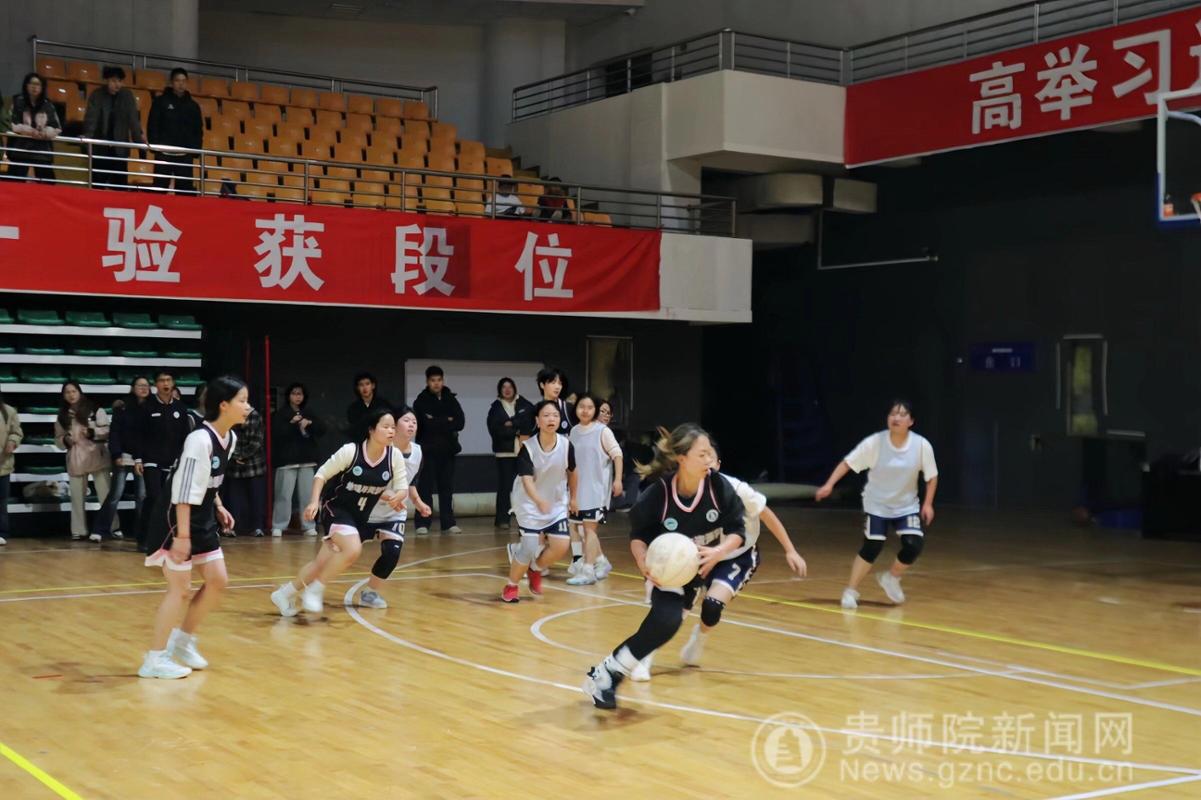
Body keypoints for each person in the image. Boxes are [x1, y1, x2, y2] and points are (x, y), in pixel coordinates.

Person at [583, 423, 746, 709]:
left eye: (710, 453)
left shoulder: (718, 486)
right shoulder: (658, 493)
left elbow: (738, 531)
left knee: (672, 624)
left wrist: (719, 551)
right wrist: (642, 562)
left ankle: (607, 672)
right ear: (682, 458)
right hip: (668, 570)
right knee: (667, 620)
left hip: (704, 565)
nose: (709, 459)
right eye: (702, 454)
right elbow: (638, 536)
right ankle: (608, 675)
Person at [629, 444, 809, 682]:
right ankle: (646, 657)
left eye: (710, 458)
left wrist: (790, 550)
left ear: (718, 465)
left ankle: (699, 639)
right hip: (698, 555)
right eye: (701, 457)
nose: (706, 463)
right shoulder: (681, 492)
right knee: (674, 612)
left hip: (737, 555)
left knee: (712, 605)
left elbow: (766, 514)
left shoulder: (735, 489)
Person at [139, 375, 249, 679]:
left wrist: (219, 506)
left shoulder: (230, 438)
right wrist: (183, 536)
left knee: (217, 580)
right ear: (223, 405)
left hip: (202, 515)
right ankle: (154, 659)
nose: (247, 407)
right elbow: (183, 490)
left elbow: (208, 481)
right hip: (176, 518)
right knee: (180, 590)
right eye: (242, 401)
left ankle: (183, 641)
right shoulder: (199, 440)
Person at [270, 408, 408, 617]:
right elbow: (321, 474)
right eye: (386, 427)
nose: (391, 431)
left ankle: (283, 594)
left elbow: (402, 488)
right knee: (352, 549)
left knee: (321, 563)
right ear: (371, 430)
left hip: (359, 517)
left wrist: (396, 497)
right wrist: (313, 502)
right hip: (336, 509)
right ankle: (315, 590)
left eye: (393, 427)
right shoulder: (351, 451)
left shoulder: (394, 456)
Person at [815, 399, 938, 610]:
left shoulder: (921, 445)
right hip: (877, 504)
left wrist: (928, 504)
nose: (896, 418)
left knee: (914, 545)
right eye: (892, 414)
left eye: (902, 414)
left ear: (911, 421)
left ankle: (892, 577)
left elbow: (932, 476)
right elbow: (848, 463)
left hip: (906, 505)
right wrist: (829, 484)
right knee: (873, 545)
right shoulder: (875, 443)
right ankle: (850, 590)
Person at [356, 406, 432, 609]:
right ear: (394, 425)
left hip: (393, 513)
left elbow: (410, 483)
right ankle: (313, 583)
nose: (411, 425)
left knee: (392, 553)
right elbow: (365, 480)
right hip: (367, 509)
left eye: (414, 422)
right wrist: (387, 495)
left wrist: (418, 502)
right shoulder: (381, 449)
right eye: (406, 420)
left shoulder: (417, 452)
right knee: (343, 553)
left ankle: (370, 593)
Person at [502, 400, 577, 603]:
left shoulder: (566, 445)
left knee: (561, 545)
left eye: (555, 415)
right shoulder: (528, 448)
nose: (551, 419)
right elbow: (527, 480)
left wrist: (574, 498)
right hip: (528, 503)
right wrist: (538, 500)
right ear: (537, 420)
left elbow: (573, 472)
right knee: (528, 548)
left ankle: (535, 569)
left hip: (555, 502)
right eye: (546, 415)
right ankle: (512, 585)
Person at [132, 370, 194, 549]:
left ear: (173, 383)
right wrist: (138, 459)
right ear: (155, 384)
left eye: (168, 380)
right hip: (151, 460)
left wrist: (184, 458)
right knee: (154, 497)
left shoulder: (180, 408)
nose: (165, 383)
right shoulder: (147, 407)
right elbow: (139, 435)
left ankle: (164, 538)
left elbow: (185, 437)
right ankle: (143, 538)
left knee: (168, 501)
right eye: (161, 380)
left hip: (173, 461)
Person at [566, 394, 623, 586]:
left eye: (589, 407)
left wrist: (618, 480)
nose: (585, 410)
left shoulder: (602, 431)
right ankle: (601, 561)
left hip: (595, 490)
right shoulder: (574, 431)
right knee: (580, 529)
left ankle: (588, 569)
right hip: (576, 491)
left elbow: (617, 455)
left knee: (589, 529)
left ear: (595, 410)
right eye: (581, 406)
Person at [93, 375, 151, 541]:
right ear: (133, 388)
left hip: (144, 457)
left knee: (142, 496)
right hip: (124, 455)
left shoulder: (153, 407)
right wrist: (116, 454)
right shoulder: (123, 407)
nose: (143, 388)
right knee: (115, 494)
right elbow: (115, 433)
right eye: (140, 385)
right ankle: (100, 529)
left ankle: (141, 533)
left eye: (146, 385)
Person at [54, 381, 112, 542]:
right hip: (76, 458)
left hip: (97, 456)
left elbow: (107, 430)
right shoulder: (62, 416)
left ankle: (111, 527)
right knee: (77, 497)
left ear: (79, 392)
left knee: (105, 495)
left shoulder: (95, 409)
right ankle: (78, 530)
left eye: (73, 391)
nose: (71, 395)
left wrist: (92, 432)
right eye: (67, 392)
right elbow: (58, 439)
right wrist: (65, 440)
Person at [412, 365, 465, 534]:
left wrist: (435, 419)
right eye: (433, 380)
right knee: (425, 488)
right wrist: (447, 420)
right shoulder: (420, 401)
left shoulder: (451, 399)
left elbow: (460, 422)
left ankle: (448, 523)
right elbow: (425, 424)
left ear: (443, 381)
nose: (436, 383)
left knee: (446, 488)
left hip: (447, 450)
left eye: (439, 380)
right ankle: (422, 523)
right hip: (428, 450)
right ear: (427, 382)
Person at [271, 383, 324, 537]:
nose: (297, 397)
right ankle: (279, 525)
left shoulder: (309, 412)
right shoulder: (281, 414)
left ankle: (308, 525)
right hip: (286, 460)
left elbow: (322, 429)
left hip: (307, 459)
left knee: (307, 495)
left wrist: (310, 423)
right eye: (294, 393)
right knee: (283, 495)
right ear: (288, 396)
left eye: (300, 394)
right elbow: (276, 433)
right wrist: (292, 423)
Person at [82, 66, 147, 189]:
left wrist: (140, 146)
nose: (117, 85)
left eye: (119, 81)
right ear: (106, 80)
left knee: (120, 188)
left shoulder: (127, 96)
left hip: (120, 149)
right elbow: (91, 120)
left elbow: (133, 121)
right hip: (100, 148)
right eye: (113, 81)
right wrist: (87, 144)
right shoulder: (96, 95)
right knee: (97, 187)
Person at [486, 377, 534, 529]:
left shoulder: (525, 405)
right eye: (504, 387)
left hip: (523, 452)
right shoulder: (495, 408)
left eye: (510, 387)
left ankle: (525, 519)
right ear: (500, 390)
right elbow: (496, 431)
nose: (507, 390)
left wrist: (511, 423)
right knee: (505, 487)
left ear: (514, 388)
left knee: (525, 486)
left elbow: (529, 423)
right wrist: (516, 430)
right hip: (504, 453)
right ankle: (502, 519)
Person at [147, 67, 202, 194]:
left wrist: (195, 150)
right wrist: (155, 146)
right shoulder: (160, 102)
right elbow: (153, 125)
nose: (181, 84)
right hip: (163, 154)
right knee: (159, 190)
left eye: (183, 81)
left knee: (185, 193)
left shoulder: (193, 106)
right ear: (171, 82)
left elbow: (198, 130)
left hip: (185, 156)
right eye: (177, 80)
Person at [8, 72, 61, 182]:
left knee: (48, 184)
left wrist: (44, 132)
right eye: (32, 83)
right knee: (14, 183)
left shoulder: (48, 105)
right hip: (20, 150)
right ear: (26, 85)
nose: (34, 87)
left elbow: (56, 127)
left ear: (42, 87)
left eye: (38, 84)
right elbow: (12, 124)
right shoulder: (17, 102)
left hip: (42, 152)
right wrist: (30, 131)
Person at [223, 404, 266, 537]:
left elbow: (256, 442)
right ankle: (233, 527)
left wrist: (241, 456)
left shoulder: (254, 415)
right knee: (234, 498)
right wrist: (235, 456)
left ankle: (257, 527)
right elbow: (225, 437)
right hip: (234, 465)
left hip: (254, 465)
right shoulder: (228, 414)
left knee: (256, 498)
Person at [0, 388, 23, 546]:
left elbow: (17, 432)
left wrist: (12, 441)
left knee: (1, 502)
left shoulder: (8, 411)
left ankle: (1, 532)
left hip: (3, 464)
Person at [346, 371, 390, 443]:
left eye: (367, 384)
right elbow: (354, 428)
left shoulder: (383, 404)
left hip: (381, 441)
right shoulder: (353, 408)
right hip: (360, 442)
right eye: (361, 385)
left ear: (373, 386)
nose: (365, 388)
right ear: (357, 388)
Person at [537, 366, 575, 435]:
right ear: (542, 385)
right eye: (553, 383)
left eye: (560, 383)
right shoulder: (535, 410)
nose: (557, 387)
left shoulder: (568, 408)